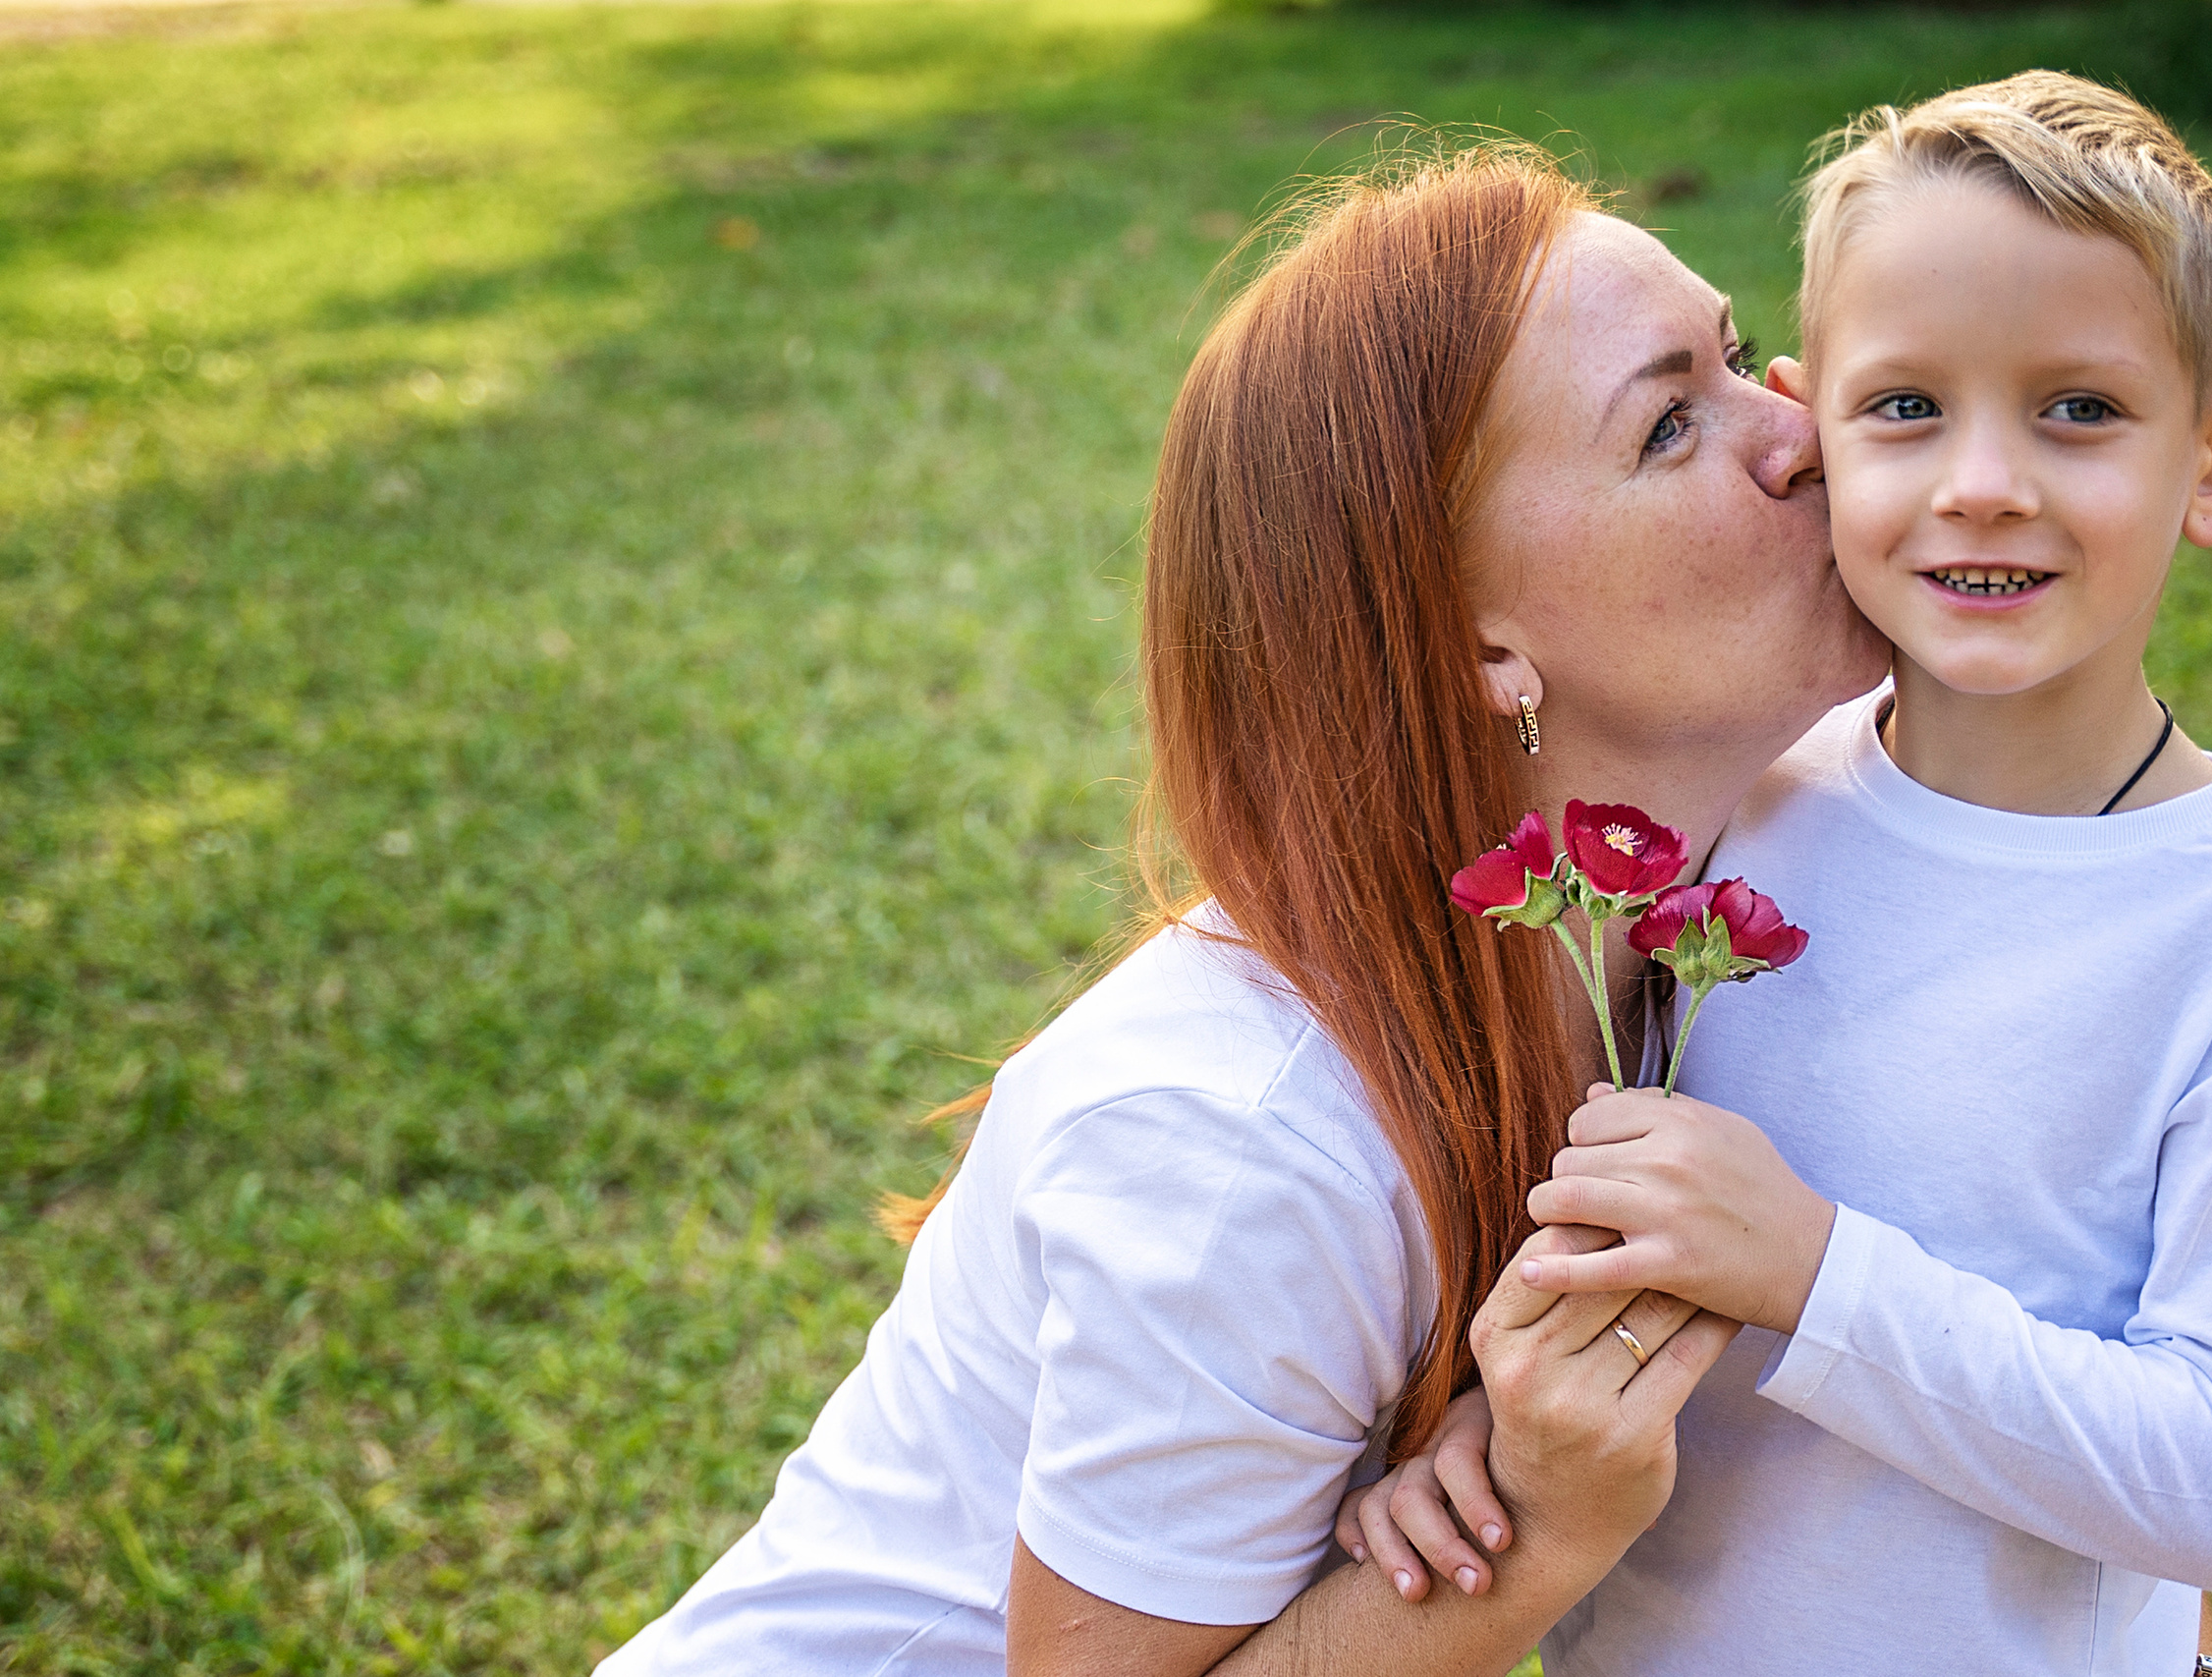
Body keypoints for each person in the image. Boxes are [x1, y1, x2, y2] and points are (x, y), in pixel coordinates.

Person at [591, 140, 1887, 1676]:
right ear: (1477, 651)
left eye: (1741, 354)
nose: (1807, 426)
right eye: (1673, 421)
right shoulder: (1238, 1147)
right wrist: (1541, 1528)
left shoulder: (1768, 850)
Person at [1344, 74, 2212, 1675]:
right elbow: (1618, 1233)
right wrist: (1484, 1438)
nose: (1983, 481)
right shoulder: (1732, 811)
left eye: (2080, 410)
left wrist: (1819, 1277)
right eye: (1907, 408)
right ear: (1807, 427)